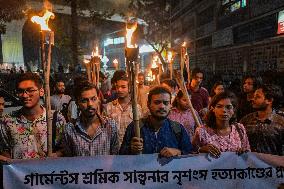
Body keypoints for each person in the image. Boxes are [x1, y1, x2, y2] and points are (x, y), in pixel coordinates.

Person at [0, 73, 66, 160]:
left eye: (30, 90)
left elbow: (65, 149)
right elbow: (5, 151)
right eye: (20, 91)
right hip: (20, 173)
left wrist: (56, 155)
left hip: (49, 172)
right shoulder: (7, 121)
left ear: (41, 92)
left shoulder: (56, 118)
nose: (25, 95)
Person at [120, 86, 193, 157]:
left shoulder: (177, 128)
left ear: (170, 105)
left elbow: (190, 153)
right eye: (157, 102)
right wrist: (131, 149)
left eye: (166, 103)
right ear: (148, 104)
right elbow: (121, 156)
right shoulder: (135, 127)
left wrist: (178, 152)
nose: (162, 106)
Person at [58, 81, 119, 156]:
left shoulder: (111, 125)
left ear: (98, 100)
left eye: (93, 99)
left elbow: (115, 158)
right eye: (84, 101)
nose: (90, 104)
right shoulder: (69, 129)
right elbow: (69, 160)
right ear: (77, 103)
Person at [192, 91, 250, 158]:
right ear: (212, 109)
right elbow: (191, 153)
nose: (224, 110)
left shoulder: (239, 129)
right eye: (219, 106)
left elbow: (248, 152)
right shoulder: (202, 131)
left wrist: (243, 152)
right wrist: (201, 150)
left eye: (228, 107)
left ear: (233, 110)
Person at [240, 84, 284, 155]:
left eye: (257, 97)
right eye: (253, 96)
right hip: (248, 163)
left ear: (269, 100)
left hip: (272, 164)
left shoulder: (281, 122)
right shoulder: (246, 120)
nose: (252, 99)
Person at [105, 74, 142, 146]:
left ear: (129, 88)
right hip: (113, 147)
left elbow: (140, 130)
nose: (119, 90)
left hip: (130, 148)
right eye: (117, 87)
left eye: (123, 87)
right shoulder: (109, 106)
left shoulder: (136, 108)